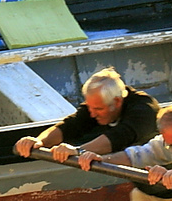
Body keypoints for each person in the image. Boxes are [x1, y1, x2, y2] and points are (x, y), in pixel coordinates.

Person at [12, 68, 160, 161]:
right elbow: (72, 124)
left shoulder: (144, 111)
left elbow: (118, 136)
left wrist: (78, 151)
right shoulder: (98, 105)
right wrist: (39, 142)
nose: (92, 114)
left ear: (117, 102)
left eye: (98, 109)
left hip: (169, 187)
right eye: (90, 108)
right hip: (142, 190)